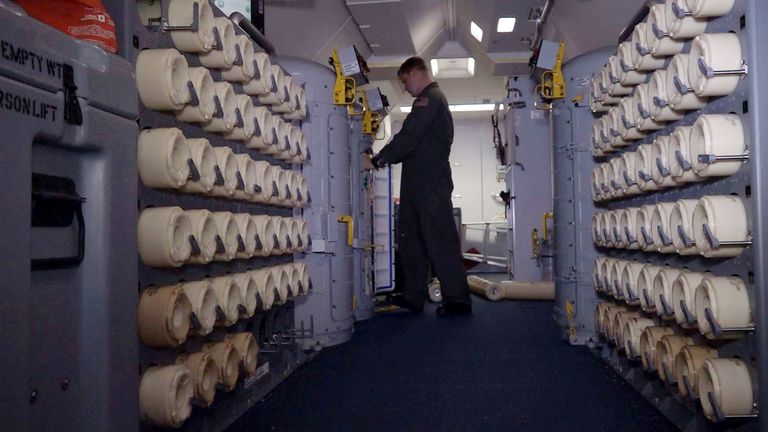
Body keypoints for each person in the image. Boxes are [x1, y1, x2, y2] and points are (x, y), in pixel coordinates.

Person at [368, 56, 472, 317]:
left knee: (440, 240)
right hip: (417, 185)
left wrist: (377, 160)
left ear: (415, 73)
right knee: (411, 240)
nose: (405, 88)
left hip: (431, 185)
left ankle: (458, 300)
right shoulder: (429, 101)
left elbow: (409, 136)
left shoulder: (431, 99)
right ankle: (413, 296)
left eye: (405, 81)